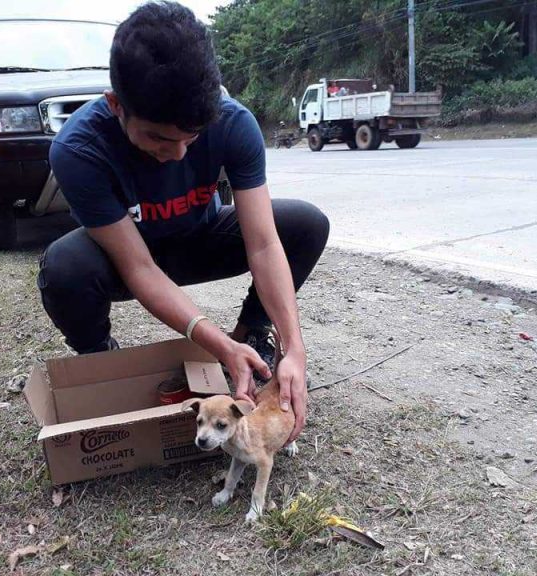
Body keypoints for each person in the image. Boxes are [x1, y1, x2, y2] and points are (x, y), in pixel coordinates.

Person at [36, 1, 329, 445]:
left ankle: (253, 333)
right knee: (63, 268)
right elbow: (139, 269)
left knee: (305, 224)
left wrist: (296, 349)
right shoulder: (78, 149)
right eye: (157, 137)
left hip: (200, 238)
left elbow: (265, 245)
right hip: (132, 256)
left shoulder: (234, 123)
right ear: (116, 105)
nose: (176, 154)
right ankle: (102, 360)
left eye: (191, 138)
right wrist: (216, 345)